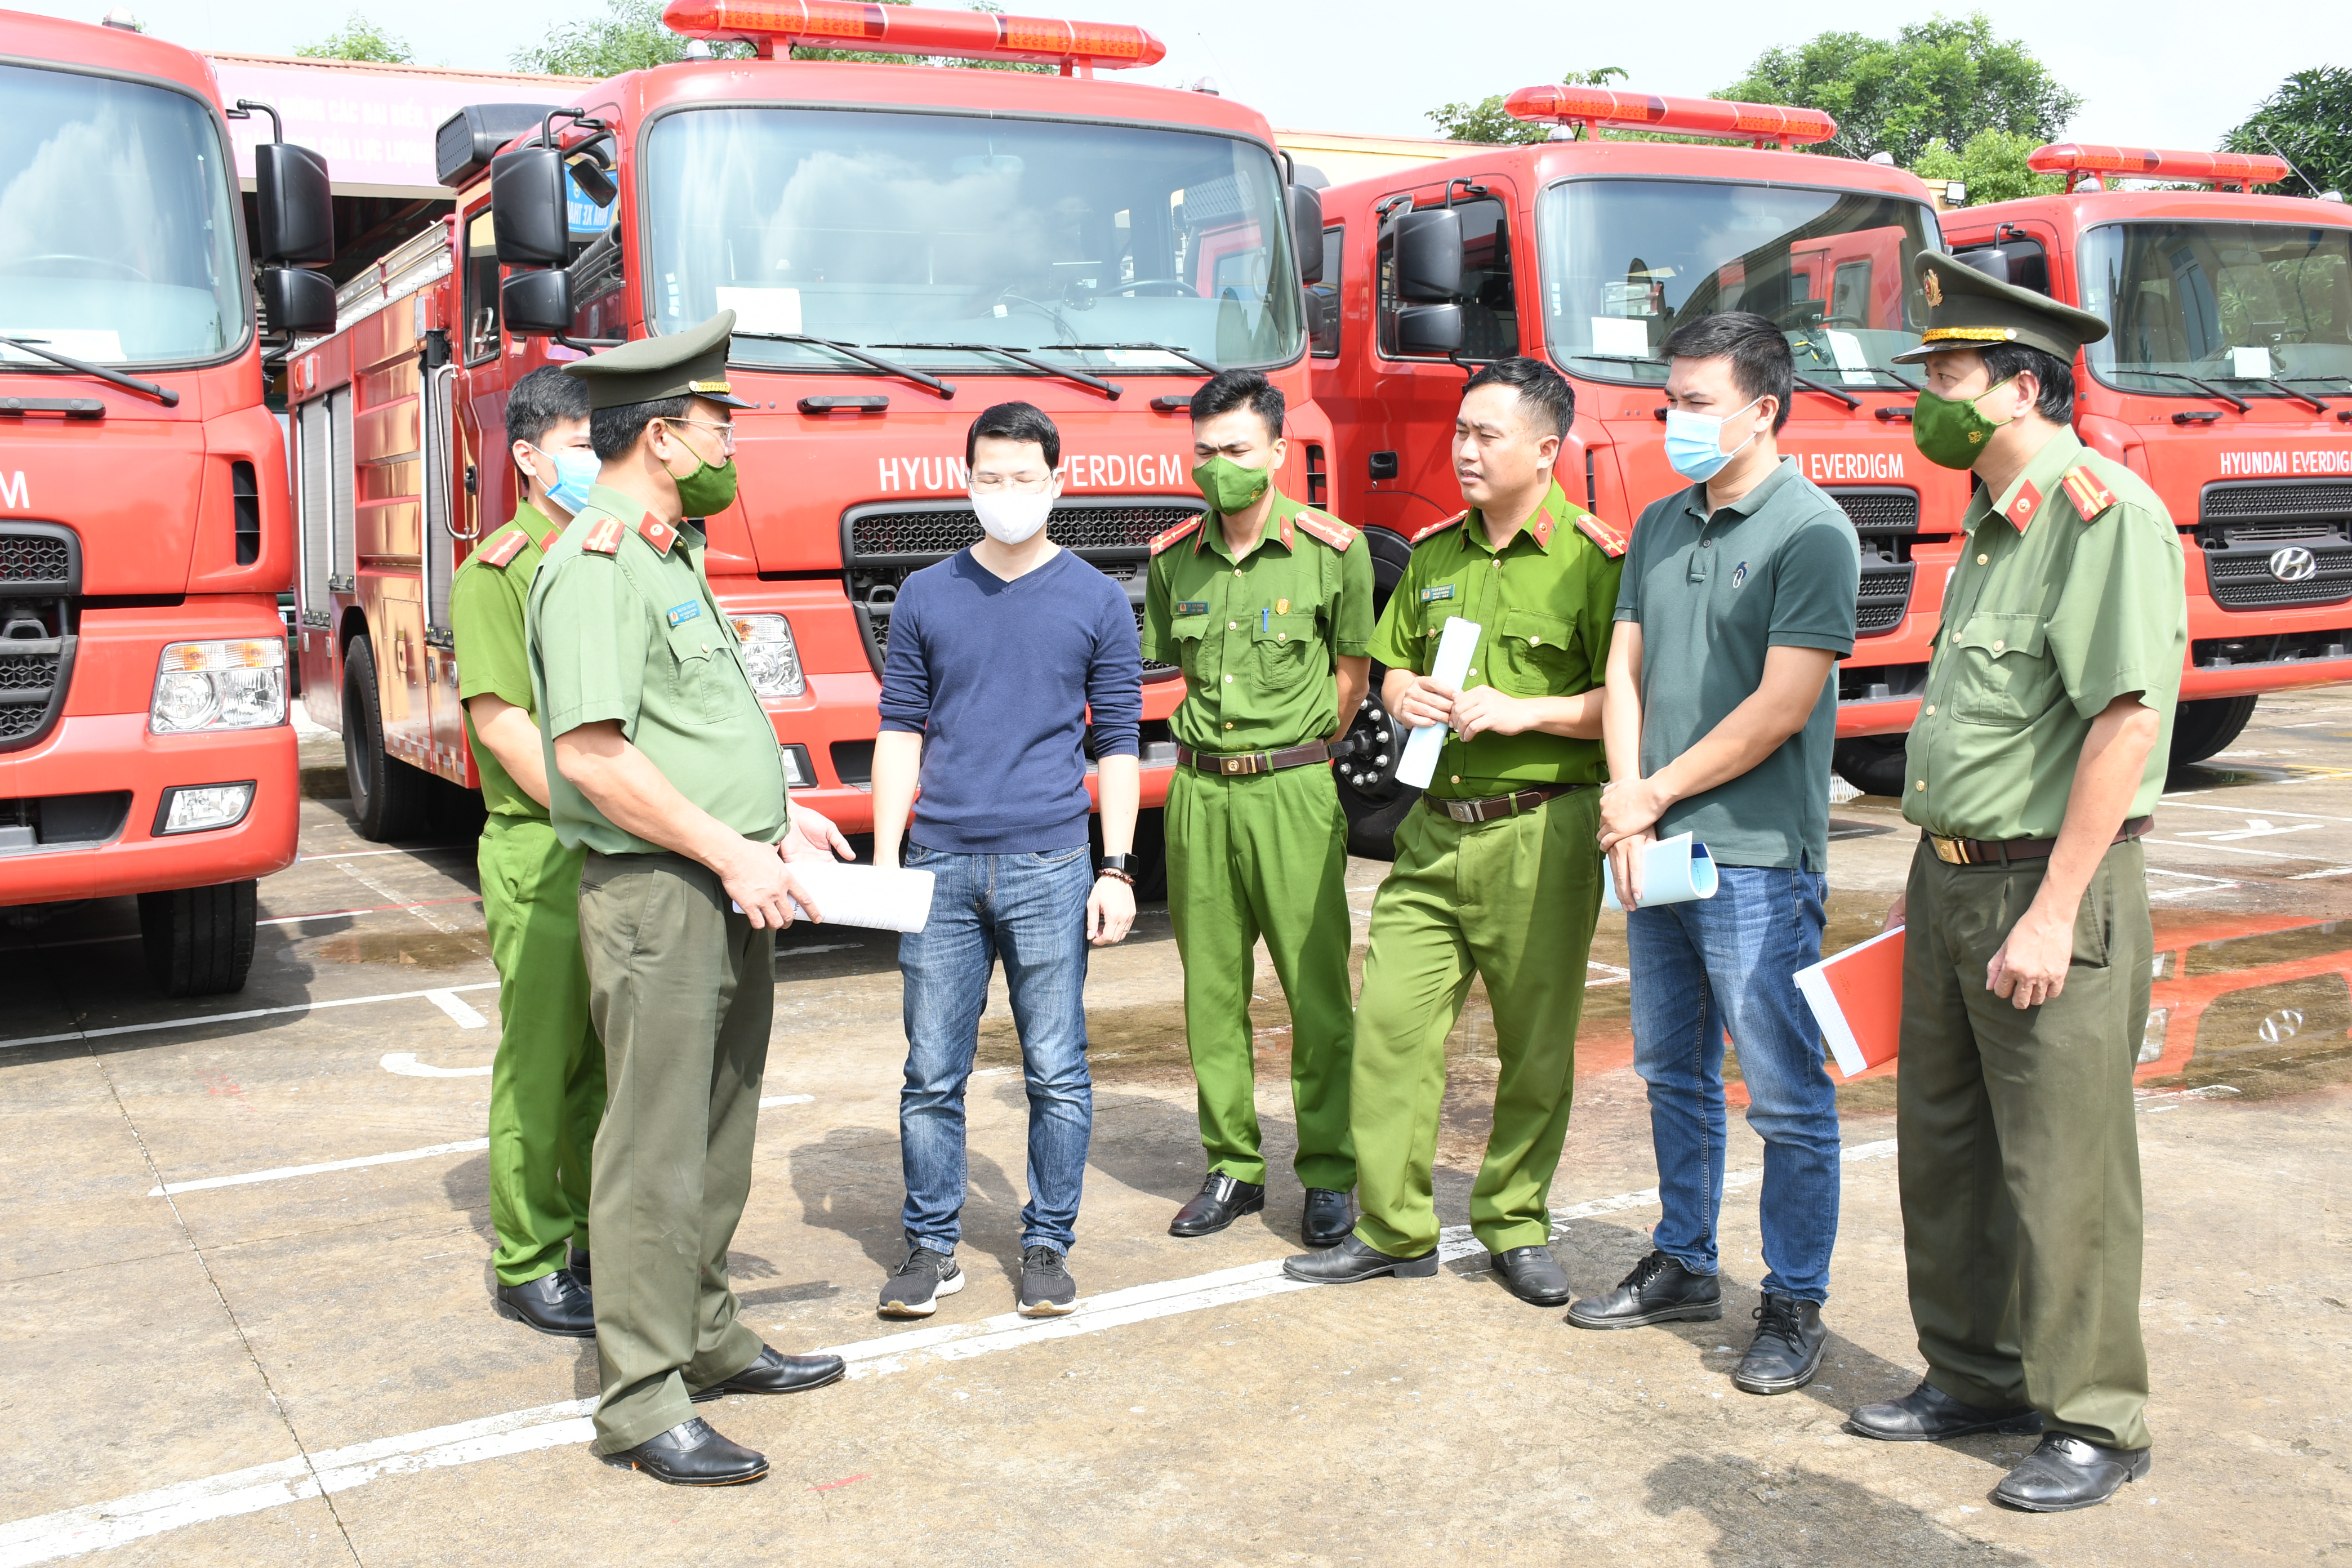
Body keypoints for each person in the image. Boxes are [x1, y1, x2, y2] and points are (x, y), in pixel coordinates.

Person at [1843, 254, 2183, 1513]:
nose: (1923, 400)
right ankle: (1974, 1375)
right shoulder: (1994, 526)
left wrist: (2050, 910)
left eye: (1947, 377)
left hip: (2052, 887)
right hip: (1953, 881)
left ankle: (2095, 1417)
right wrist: (1930, 870)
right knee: (1946, 1152)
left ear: (2022, 388)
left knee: (2063, 1167)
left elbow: (2124, 726)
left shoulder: (2101, 516)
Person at [528, 313, 849, 1487]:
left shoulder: (668, 553)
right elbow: (595, 756)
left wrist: (777, 819)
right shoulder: (597, 563)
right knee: (653, 1149)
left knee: (719, 1127)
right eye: (720, 428)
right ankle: (643, 1397)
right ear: (662, 436)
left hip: (723, 876)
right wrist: (729, 849)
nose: (730, 448)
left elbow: (694, 724)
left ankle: (706, 1336)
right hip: (663, 892)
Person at [1284, 357, 1624, 1305]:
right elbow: (1391, 666)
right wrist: (1404, 694)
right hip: (1433, 832)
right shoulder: (1434, 554)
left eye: (1486, 435)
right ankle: (1395, 1229)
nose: (1464, 451)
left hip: (1538, 834)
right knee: (1390, 1032)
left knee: (1535, 1048)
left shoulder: (1595, 562)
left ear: (1547, 450)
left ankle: (1515, 1222)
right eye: (1461, 432)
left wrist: (1527, 712)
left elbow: (1629, 701)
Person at [1578, 311, 1861, 1398]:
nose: (1676, 421)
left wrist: (1651, 793)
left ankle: (1793, 1300)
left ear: (1763, 410)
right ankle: (1686, 1261)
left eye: (1697, 403)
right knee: (1671, 1071)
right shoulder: (1660, 522)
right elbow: (1625, 670)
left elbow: (1782, 707)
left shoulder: (1811, 532)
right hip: (1655, 842)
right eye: (1670, 402)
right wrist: (1629, 803)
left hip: (1753, 856)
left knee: (1783, 1092)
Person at [870, 401, 1142, 1322]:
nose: (1007, 492)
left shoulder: (1097, 599)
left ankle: (1048, 1244)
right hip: (938, 865)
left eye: (1025, 477)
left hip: (1052, 864)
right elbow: (900, 729)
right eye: (990, 476)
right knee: (930, 1073)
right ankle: (931, 1246)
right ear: (967, 481)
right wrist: (885, 859)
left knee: (1056, 1070)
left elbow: (1117, 742)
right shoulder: (925, 593)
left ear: (1058, 482)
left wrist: (1117, 867)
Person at [1142, 369, 1371, 1248]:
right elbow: (1177, 672)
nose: (1219, 466)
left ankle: (1329, 1171)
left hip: (1292, 790)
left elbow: (1350, 681)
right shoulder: (1173, 558)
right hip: (1200, 793)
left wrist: (1290, 754)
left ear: (1277, 451)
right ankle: (1233, 1166)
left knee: (1317, 993)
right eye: (1204, 451)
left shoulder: (1334, 551)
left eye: (1236, 449)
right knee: (1212, 992)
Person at [451, 364, 605, 1339]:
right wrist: (614, 812)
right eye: (579, 447)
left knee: (605, 1063)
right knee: (542, 1063)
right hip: (543, 845)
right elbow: (506, 729)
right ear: (527, 457)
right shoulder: (499, 572)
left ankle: (592, 1232)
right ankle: (529, 1259)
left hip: (614, 841)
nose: (595, 462)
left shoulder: (608, 555)